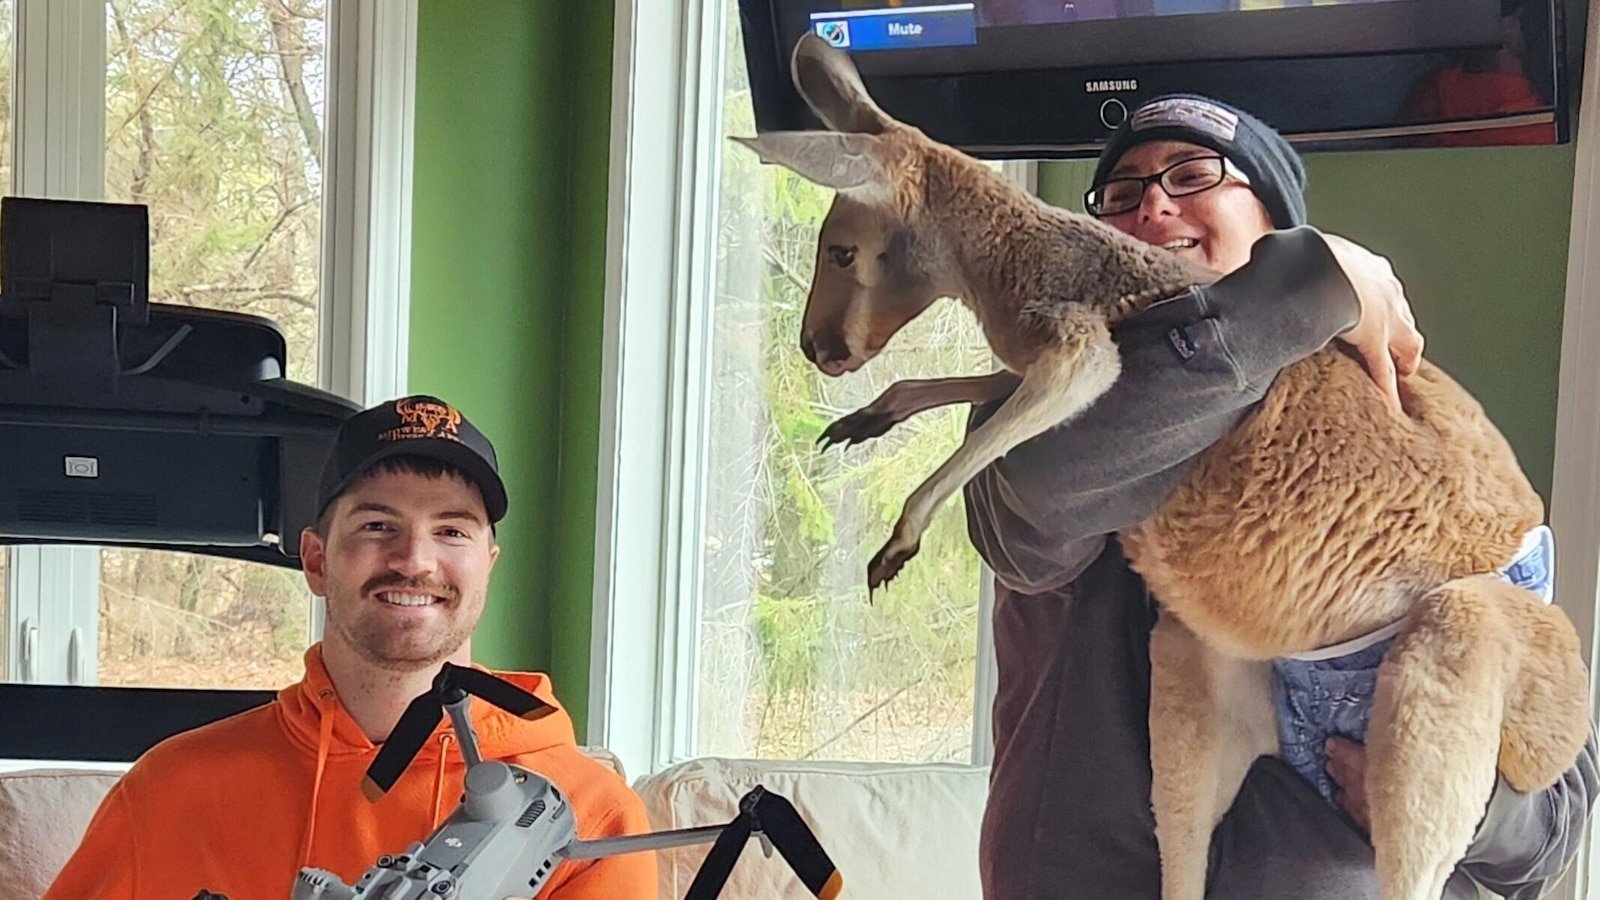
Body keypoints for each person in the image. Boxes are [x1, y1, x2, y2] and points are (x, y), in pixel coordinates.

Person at [963, 94, 1599, 898]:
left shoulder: (1409, 424)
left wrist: (1458, 798)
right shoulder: (1038, 405)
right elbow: (1030, 511)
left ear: (1276, 231)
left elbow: (1559, 819)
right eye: (1119, 198)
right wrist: (1301, 291)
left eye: (1192, 175)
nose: (1152, 205)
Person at [46, 395, 657, 899]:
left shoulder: (585, 820)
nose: (414, 560)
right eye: (377, 526)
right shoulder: (171, 790)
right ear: (315, 560)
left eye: (451, 531)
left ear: (487, 565)